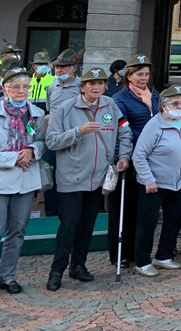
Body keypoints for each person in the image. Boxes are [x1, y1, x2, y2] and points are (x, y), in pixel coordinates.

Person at [45, 67, 132, 291]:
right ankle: (57, 270)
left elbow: (124, 131)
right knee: (69, 224)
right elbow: (52, 141)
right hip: (71, 178)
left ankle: (78, 265)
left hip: (99, 177)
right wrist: (78, 132)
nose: (96, 87)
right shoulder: (65, 108)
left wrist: (123, 156)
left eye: (101, 83)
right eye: (91, 83)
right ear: (82, 87)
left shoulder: (110, 105)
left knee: (87, 224)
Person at [106, 53, 160, 268]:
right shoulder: (120, 99)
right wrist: (123, 156)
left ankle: (137, 252)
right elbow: (122, 131)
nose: (143, 78)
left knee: (141, 210)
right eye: (139, 74)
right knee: (123, 208)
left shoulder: (154, 96)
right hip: (129, 158)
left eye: (146, 74)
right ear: (129, 76)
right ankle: (119, 253)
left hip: (150, 160)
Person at [132, 85, 181, 277]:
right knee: (147, 223)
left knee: (174, 219)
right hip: (154, 183)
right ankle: (142, 261)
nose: (179, 106)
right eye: (175, 103)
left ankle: (164, 256)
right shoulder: (154, 125)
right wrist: (148, 179)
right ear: (163, 106)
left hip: (177, 182)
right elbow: (139, 155)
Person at [0, 67, 45, 294]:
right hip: (2, 179)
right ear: (4, 89)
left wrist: (31, 149)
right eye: (15, 87)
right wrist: (14, 157)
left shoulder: (35, 113)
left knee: (17, 230)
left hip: (26, 181)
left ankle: (8, 276)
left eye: (25, 86)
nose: (21, 91)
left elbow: (41, 141)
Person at [46, 48, 81, 114]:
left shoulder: (83, 86)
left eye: (63, 67)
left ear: (74, 68)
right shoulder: (52, 86)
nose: (59, 70)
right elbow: (50, 109)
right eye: (57, 67)